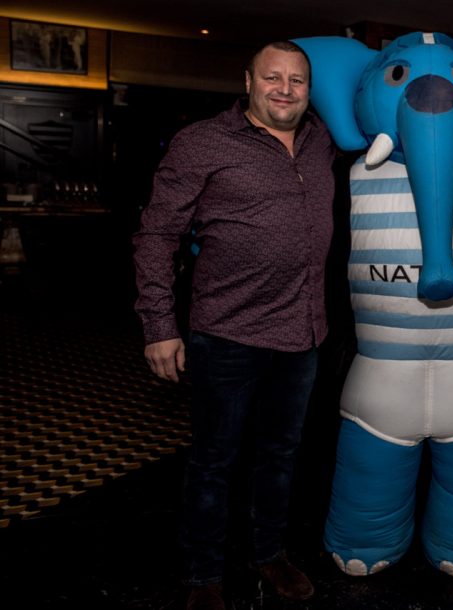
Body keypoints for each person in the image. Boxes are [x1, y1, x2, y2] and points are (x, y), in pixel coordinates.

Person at [133, 40, 335, 610]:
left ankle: (268, 554)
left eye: (297, 80)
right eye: (273, 77)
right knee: (213, 462)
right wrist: (158, 325)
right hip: (226, 336)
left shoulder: (322, 141)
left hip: (303, 334)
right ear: (247, 81)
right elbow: (155, 236)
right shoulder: (203, 142)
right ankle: (202, 574)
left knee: (281, 456)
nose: (285, 89)